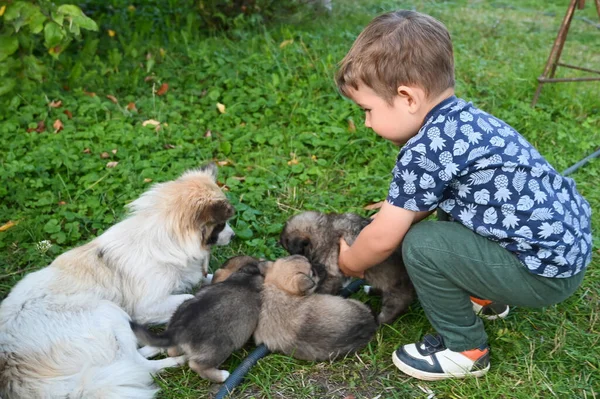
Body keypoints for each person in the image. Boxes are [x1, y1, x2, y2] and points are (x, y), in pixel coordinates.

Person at [335, 10, 592, 381]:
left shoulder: (424, 150)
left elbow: (384, 237)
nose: (367, 123)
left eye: (368, 110)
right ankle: (484, 294)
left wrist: (352, 263)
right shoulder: (467, 121)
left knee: (422, 245)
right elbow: (426, 206)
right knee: (454, 210)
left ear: (407, 97)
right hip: (563, 251)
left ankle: (464, 348)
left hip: (543, 275)